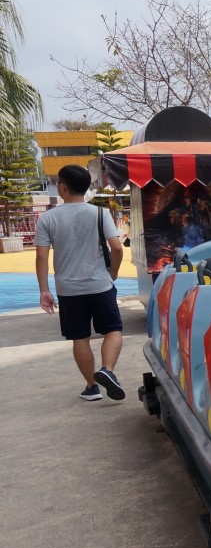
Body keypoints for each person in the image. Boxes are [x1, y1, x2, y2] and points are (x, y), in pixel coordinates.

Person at [35, 164, 126, 402]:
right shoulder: (100, 214)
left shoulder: (47, 218)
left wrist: (44, 290)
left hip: (68, 289)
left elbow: (42, 256)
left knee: (80, 337)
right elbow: (117, 248)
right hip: (100, 284)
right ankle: (107, 370)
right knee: (113, 330)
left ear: (63, 188)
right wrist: (113, 272)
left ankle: (92, 387)